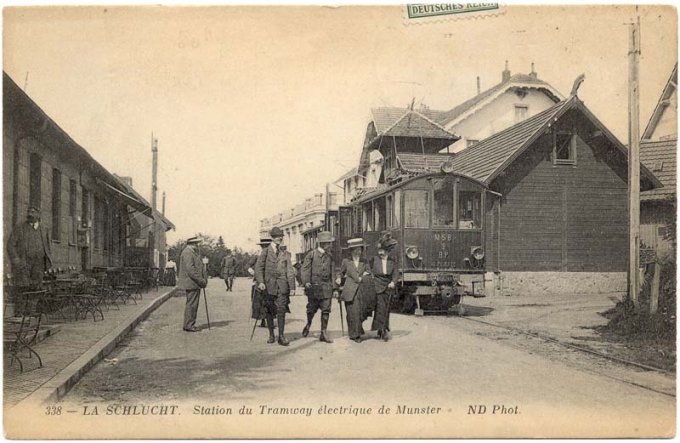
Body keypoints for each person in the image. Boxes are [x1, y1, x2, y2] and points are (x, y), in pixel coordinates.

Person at [255, 227, 295, 346]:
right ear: (272, 238)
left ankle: (281, 336)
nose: (280, 238)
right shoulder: (266, 252)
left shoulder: (284, 253)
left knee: (281, 309)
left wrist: (292, 287)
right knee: (269, 310)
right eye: (278, 236)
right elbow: (259, 268)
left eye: (281, 236)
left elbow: (290, 270)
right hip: (268, 286)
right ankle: (271, 334)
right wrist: (261, 282)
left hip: (282, 286)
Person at [300, 231, 336, 343]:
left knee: (326, 309)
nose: (330, 245)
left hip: (326, 286)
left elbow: (333, 272)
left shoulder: (330, 256)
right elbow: (305, 269)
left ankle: (323, 332)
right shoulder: (311, 255)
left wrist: (334, 287)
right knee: (311, 309)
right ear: (323, 243)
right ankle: (308, 323)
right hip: (314, 287)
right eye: (328, 243)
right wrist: (306, 282)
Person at [7, 206, 52, 289]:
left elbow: (47, 246)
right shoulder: (19, 227)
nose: (29, 214)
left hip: (39, 265)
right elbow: (10, 245)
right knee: (23, 288)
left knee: (37, 289)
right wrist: (16, 260)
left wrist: (47, 260)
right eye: (28, 212)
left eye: (33, 212)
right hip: (24, 264)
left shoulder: (44, 229)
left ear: (39, 215)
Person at [336, 238, 370, 343]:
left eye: (360, 249)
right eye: (355, 250)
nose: (358, 252)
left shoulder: (364, 261)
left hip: (362, 289)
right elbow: (340, 272)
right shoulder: (346, 261)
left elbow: (369, 272)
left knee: (360, 312)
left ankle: (357, 330)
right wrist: (338, 278)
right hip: (350, 289)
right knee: (352, 312)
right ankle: (355, 334)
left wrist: (364, 275)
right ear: (351, 250)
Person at [369, 236, 399, 341]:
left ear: (388, 251)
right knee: (381, 308)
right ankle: (382, 330)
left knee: (387, 308)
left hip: (388, 287)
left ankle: (383, 328)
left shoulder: (392, 261)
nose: (381, 253)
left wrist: (393, 282)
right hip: (377, 285)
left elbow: (396, 273)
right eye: (379, 250)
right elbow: (368, 269)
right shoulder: (374, 259)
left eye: (383, 251)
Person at [178, 236, 207, 332]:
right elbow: (191, 270)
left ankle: (188, 324)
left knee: (192, 304)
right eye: (196, 244)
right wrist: (201, 280)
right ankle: (189, 325)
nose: (197, 245)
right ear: (192, 244)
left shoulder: (191, 252)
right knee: (192, 304)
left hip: (193, 283)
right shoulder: (188, 253)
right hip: (192, 282)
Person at [248, 237, 273, 328]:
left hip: (270, 281)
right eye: (263, 246)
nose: (265, 247)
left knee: (270, 301)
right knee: (259, 301)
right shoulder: (257, 256)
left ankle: (269, 319)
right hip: (259, 282)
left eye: (267, 245)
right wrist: (255, 274)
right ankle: (262, 319)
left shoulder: (273, 255)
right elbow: (249, 267)